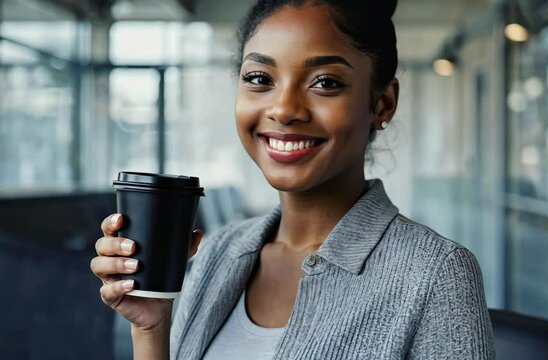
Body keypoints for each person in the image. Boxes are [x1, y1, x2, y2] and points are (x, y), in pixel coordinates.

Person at [90, 0, 495, 359]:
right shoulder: (218, 253)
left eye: (325, 83)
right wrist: (151, 327)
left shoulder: (435, 273)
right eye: (259, 79)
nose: (283, 109)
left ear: (382, 103)